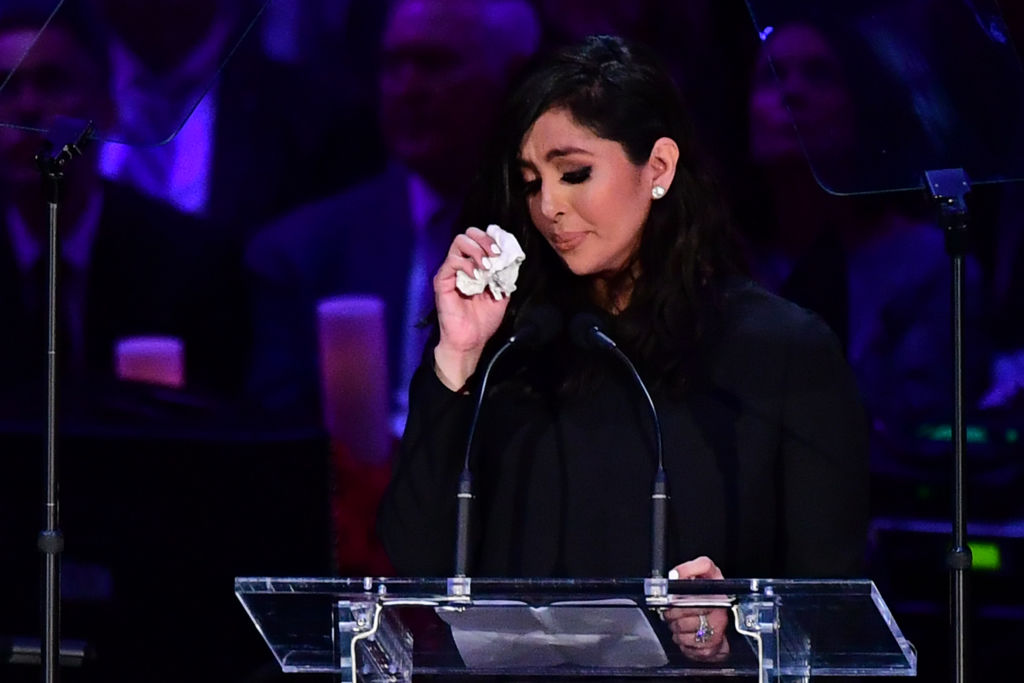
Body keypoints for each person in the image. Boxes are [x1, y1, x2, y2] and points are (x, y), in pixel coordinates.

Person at [377, 35, 869, 659]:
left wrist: (733, 637)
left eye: (574, 173)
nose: (549, 206)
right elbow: (416, 557)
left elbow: (832, 608)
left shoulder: (780, 350)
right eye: (531, 183)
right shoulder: (513, 345)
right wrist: (455, 358)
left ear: (658, 168)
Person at [245, 0, 541, 431]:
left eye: (435, 64)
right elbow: (279, 448)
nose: (408, 87)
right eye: (393, 65)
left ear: (515, 81)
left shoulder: (578, 245)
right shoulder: (300, 258)